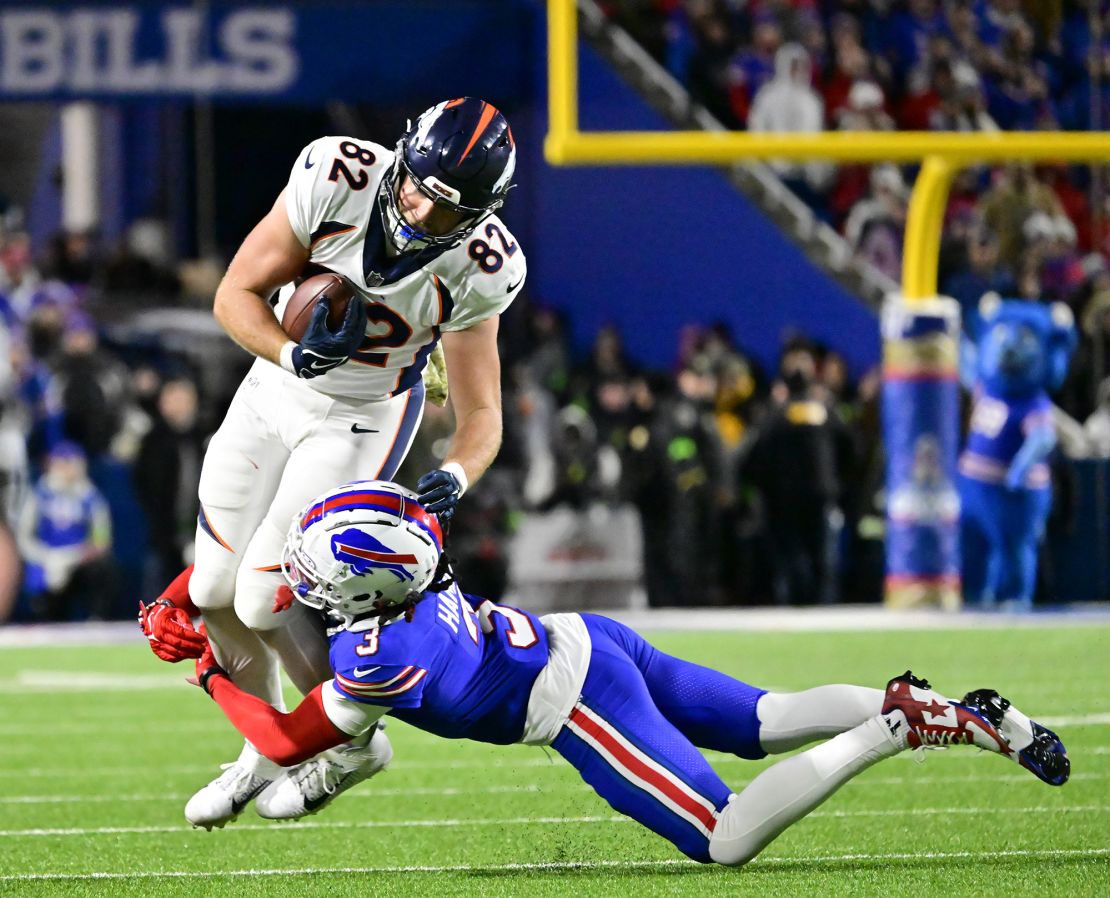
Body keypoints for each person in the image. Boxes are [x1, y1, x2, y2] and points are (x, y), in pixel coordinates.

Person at [142, 480, 1069, 865]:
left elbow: (280, 736)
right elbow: (372, 520)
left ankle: (895, 725)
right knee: (769, 718)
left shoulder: (380, 653)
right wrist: (191, 592)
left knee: (724, 838)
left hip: (577, 700)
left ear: (366, 585)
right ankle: (963, 712)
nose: (304, 584)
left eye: (321, 575)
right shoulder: (414, 553)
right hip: (591, 637)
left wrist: (208, 680)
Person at [176, 97, 525, 828]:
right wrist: (288, 352)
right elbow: (234, 293)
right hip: (273, 385)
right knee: (211, 588)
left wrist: (457, 473)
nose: (420, 210)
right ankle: (267, 747)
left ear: (481, 215)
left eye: (445, 209)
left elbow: (482, 413)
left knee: (261, 598)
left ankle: (348, 740)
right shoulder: (336, 173)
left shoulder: (479, 267)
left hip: (363, 417)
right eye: (417, 186)